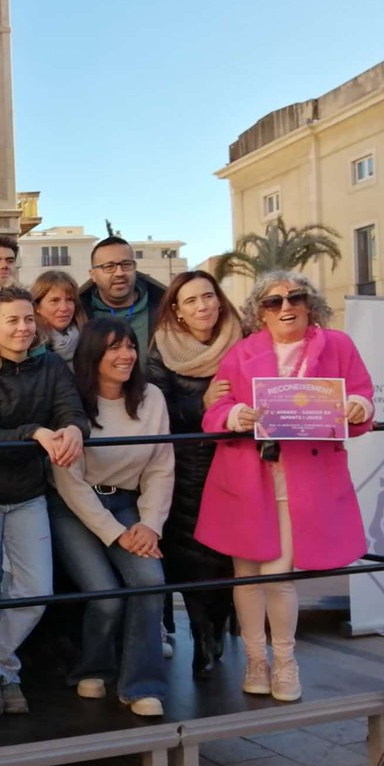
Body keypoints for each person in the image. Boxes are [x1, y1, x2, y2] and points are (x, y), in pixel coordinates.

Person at [195, 272, 374, 702]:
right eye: (274, 302)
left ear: (310, 303)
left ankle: (286, 663)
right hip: (245, 477)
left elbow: (363, 396)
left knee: (279, 576)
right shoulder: (242, 353)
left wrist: (358, 405)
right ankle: (256, 662)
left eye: (295, 297)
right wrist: (233, 413)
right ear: (261, 312)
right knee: (246, 579)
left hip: (303, 480)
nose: (286, 307)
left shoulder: (338, 346)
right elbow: (214, 409)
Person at [0, 289, 89, 715]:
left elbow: (71, 410)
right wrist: (34, 432)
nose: (23, 328)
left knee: (35, 590)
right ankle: (4, 676)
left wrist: (74, 430)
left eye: (28, 319)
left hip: (28, 492)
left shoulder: (50, 367)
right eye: (12, 320)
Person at [49, 318, 174, 717]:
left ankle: (142, 685)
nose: (126, 356)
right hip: (75, 508)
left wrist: (149, 524)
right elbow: (69, 481)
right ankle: (95, 668)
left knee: (150, 584)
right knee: (105, 597)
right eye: (113, 348)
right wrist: (116, 534)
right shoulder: (71, 399)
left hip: (130, 505)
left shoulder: (151, 397)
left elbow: (160, 466)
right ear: (92, 356)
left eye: (130, 346)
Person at [146, 270, 243, 679]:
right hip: (187, 469)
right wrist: (202, 405)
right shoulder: (161, 350)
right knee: (193, 558)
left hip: (240, 464)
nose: (202, 306)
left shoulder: (246, 342)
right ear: (178, 311)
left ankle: (221, 631)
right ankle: (203, 637)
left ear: (220, 301)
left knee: (232, 558)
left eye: (208, 296)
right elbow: (155, 412)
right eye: (191, 300)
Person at [79, 236, 166, 368]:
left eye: (126, 265)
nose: (119, 273)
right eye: (109, 266)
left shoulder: (165, 310)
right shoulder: (77, 313)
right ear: (93, 275)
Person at [31, 270, 85, 364]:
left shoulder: (88, 339)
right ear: (37, 307)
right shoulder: (30, 347)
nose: (64, 308)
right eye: (54, 300)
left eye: (69, 300)